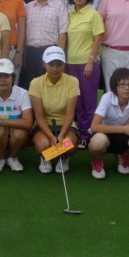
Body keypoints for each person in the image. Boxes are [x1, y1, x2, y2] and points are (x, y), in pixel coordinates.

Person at [65, 0, 104, 148]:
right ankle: (78, 131)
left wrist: (90, 61)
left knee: (88, 101)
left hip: (87, 64)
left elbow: (98, 38)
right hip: (70, 64)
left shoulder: (93, 14)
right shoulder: (68, 15)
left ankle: (86, 134)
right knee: (76, 101)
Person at [89, 68, 129, 179]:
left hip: (121, 134)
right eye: (122, 84)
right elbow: (94, 127)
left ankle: (123, 155)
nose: (127, 88)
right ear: (114, 86)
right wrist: (123, 129)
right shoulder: (107, 98)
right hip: (103, 133)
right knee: (97, 142)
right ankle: (96, 161)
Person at [29, 46, 80, 174]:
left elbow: (70, 115)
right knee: (43, 144)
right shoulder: (36, 83)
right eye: (51, 64)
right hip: (44, 124)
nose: (55, 68)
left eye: (59, 64)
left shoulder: (72, 81)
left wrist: (61, 135)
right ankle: (46, 157)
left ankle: (64, 157)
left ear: (64, 64)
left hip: (65, 124)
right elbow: (39, 117)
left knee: (69, 145)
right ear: (44, 64)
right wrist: (52, 136)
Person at [21, 0, 68, 90]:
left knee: (51, 87)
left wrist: (59, 56)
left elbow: (63, 33)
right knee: (32, 87)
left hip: (50, 52)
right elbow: (23, 32)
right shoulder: (28, 7)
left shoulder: (59, 6)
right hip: (30, 53)